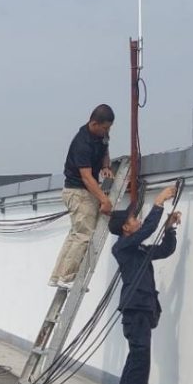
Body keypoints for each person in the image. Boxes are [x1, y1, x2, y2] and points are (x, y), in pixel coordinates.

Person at [106, 185, 180, 384]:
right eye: (133, 219)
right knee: (139, 364)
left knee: (134, 362)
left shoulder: (137, 249)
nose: (137, 221)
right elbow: (147, 229)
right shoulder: (122, 247)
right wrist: (158, 203)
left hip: (141, 311)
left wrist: (169, 229)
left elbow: (165, 250)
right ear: (126, 229)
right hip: (136, 311)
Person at [49, 104, 116, 289]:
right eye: (105, 128)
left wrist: (106, 166)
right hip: (78, 192)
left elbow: (105, 148)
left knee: (75, 235)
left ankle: (57, 276)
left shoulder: (101, 136)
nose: (107, 131)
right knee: (84, 235)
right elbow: (86, 177)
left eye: (109, 128)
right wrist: (104, 199)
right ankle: (66, 277)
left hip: (82, 192)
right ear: (94, 123)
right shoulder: (82, 143)